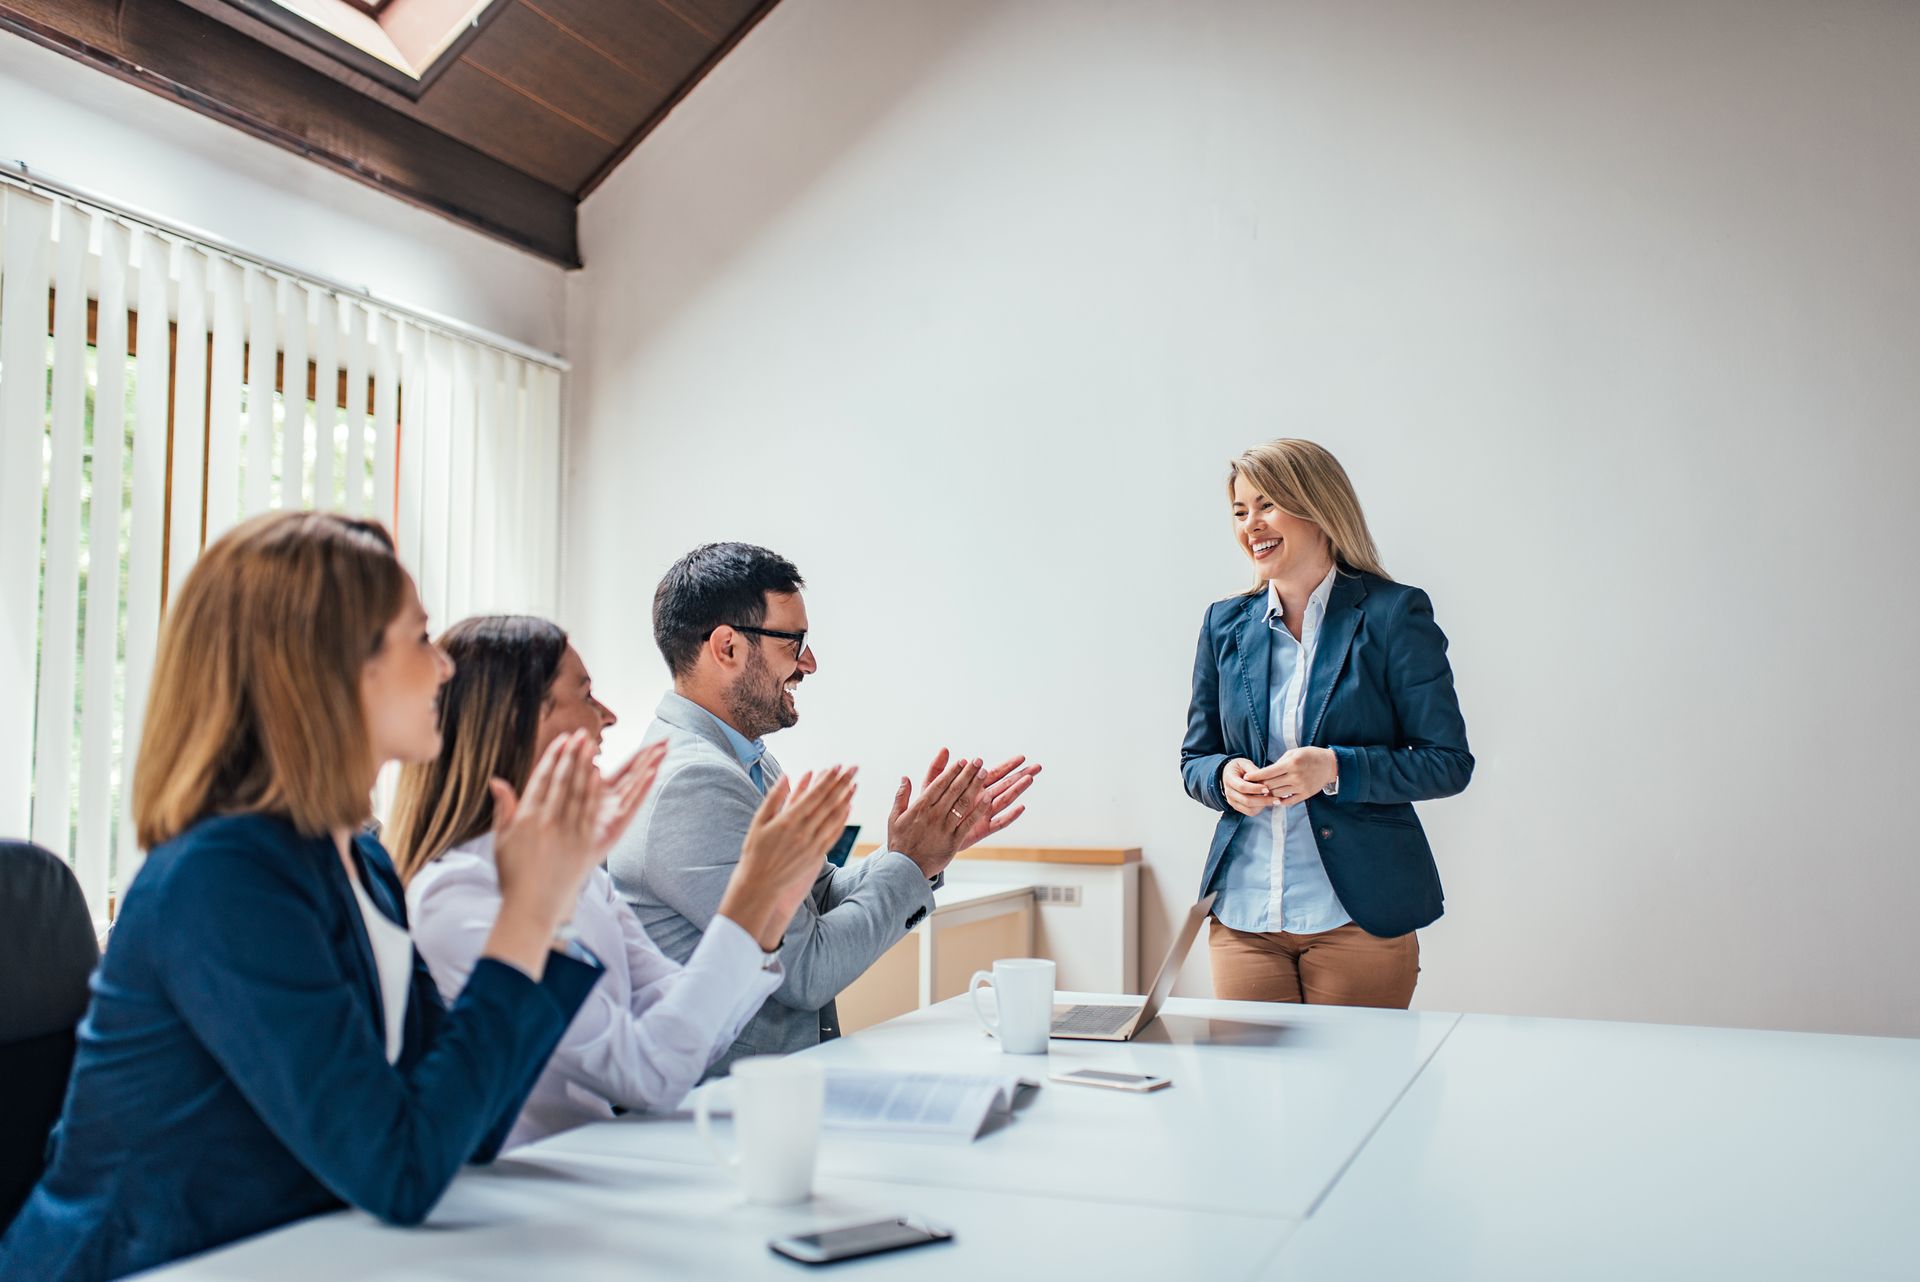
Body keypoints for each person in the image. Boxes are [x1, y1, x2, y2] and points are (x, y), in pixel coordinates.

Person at [0, 512, 629, 1282]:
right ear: (331, 665)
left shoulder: (360, 861)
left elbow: (471, 1127)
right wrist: (526, 912)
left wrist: (551, 903)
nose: (444, 670)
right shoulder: (221, 877)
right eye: (421, 638)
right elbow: (400, 1170)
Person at [392, 616, 856, 1147]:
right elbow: (647, 1075)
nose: (608, 717)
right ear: (519, 720)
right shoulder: (457, 897)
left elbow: (683, 1024)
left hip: (599, 1161)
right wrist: (751, 902)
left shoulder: (581, 877)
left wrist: (771, 913)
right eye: (585, 694)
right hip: (531, 1191)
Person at [609, 542, 1041, 1074]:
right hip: (724, 1114)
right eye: (795, 642)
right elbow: (806, 969)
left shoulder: (747, 763)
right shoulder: (692, 783)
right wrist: (907, 864)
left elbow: (818, 898)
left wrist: (917, 853)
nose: (808, 663)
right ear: (727, 648)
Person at [1181, 440, 1472, 1008]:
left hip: (1355, 919)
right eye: (1239, 512)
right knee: (1244, 1094)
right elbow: (1195, 760)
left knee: (1355, 1097)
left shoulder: (1393, 614)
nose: (1251, 525)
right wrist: (1224, 777)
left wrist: (1335, 768)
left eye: (1266, 505)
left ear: (1315, 505)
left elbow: (1448, 762)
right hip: (1243, 916)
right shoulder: (1224, 624)